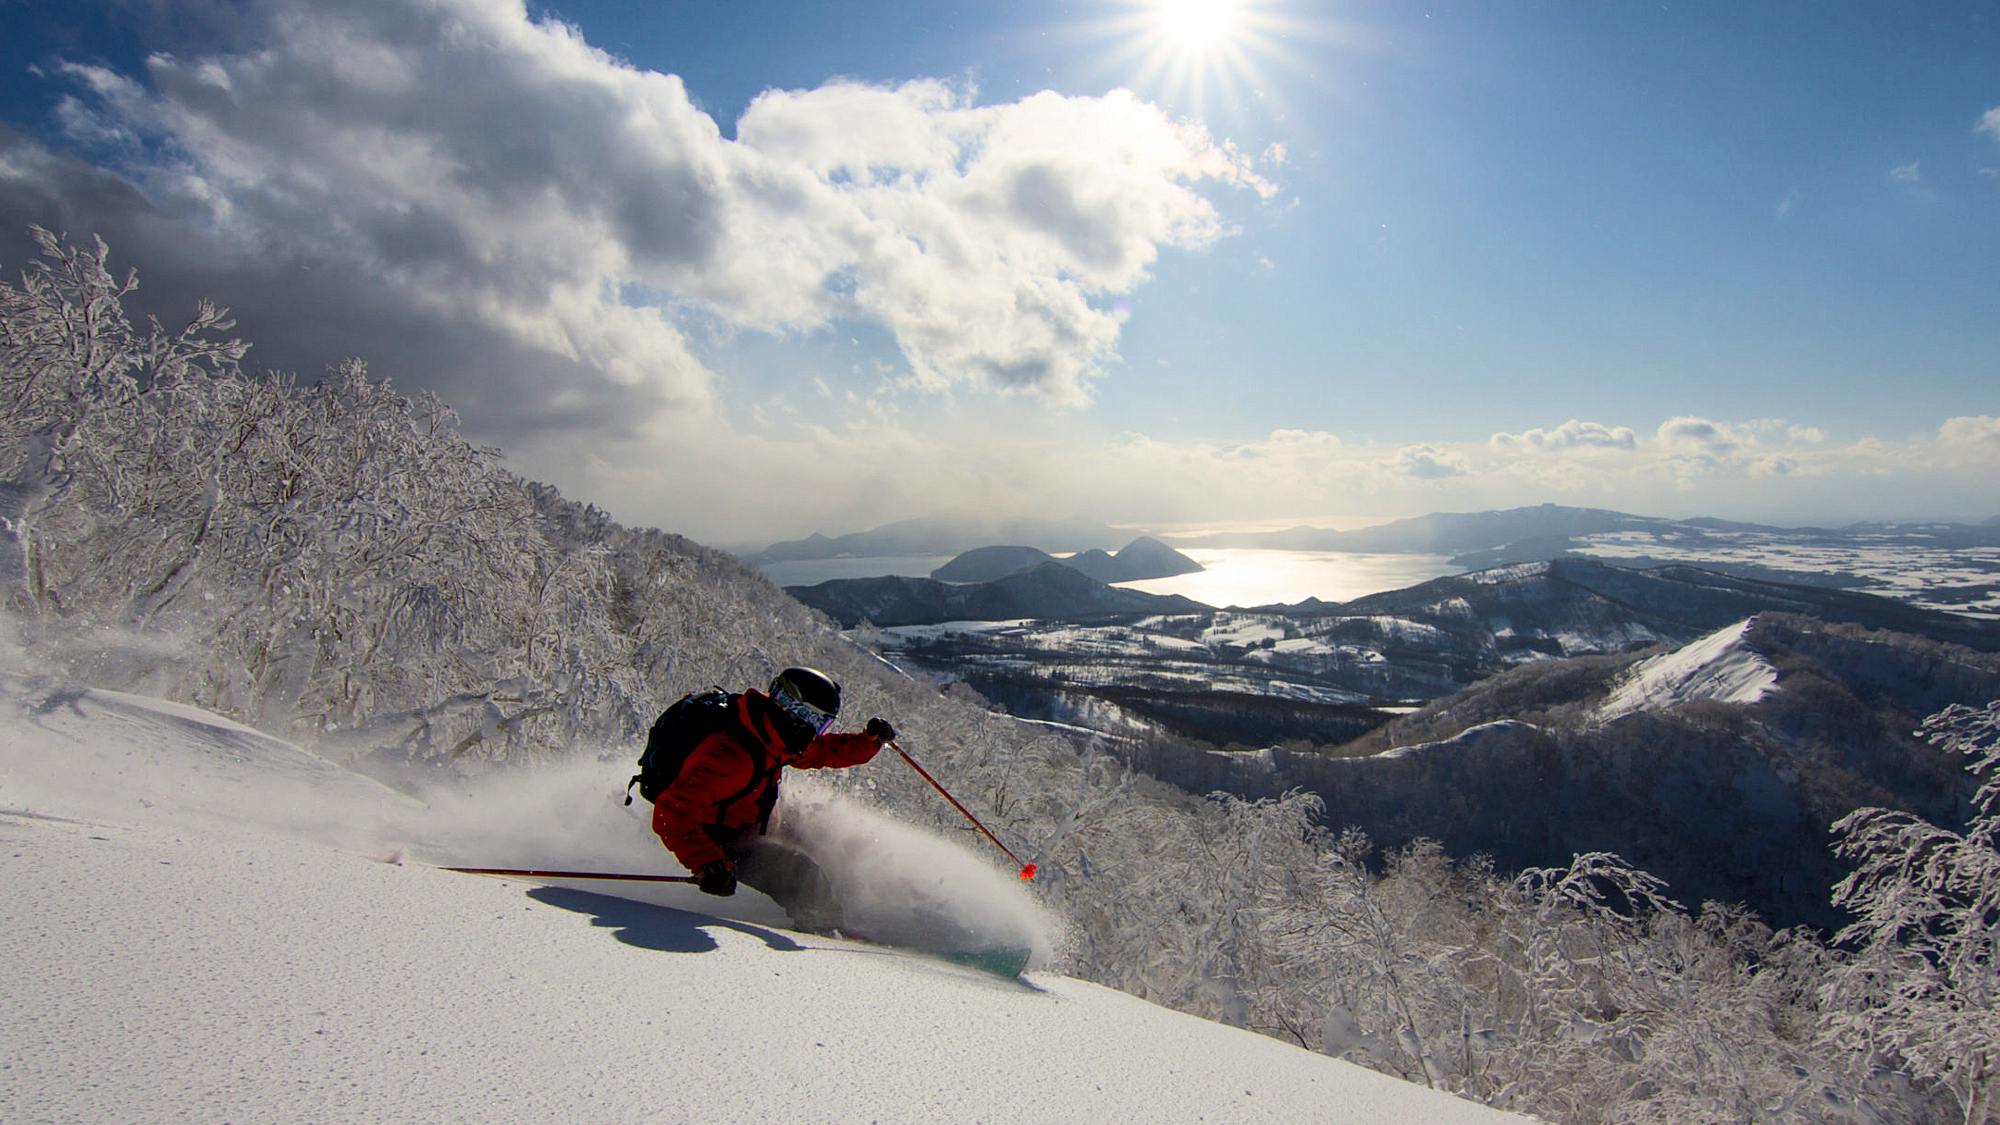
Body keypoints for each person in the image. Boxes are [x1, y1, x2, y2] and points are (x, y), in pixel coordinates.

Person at [648, 666, 895, 934]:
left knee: (821, 840)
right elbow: (671, 809)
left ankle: (833, 914)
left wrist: (867, 742)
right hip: (719, 839)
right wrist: (708, 861)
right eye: (813, 720)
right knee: (803, 876)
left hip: (750, 820)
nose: (814, 731)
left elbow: (822, 752)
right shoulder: (733, 757)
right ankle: (825, 934)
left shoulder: (773, 734)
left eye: (821, 723)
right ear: (792, 710)